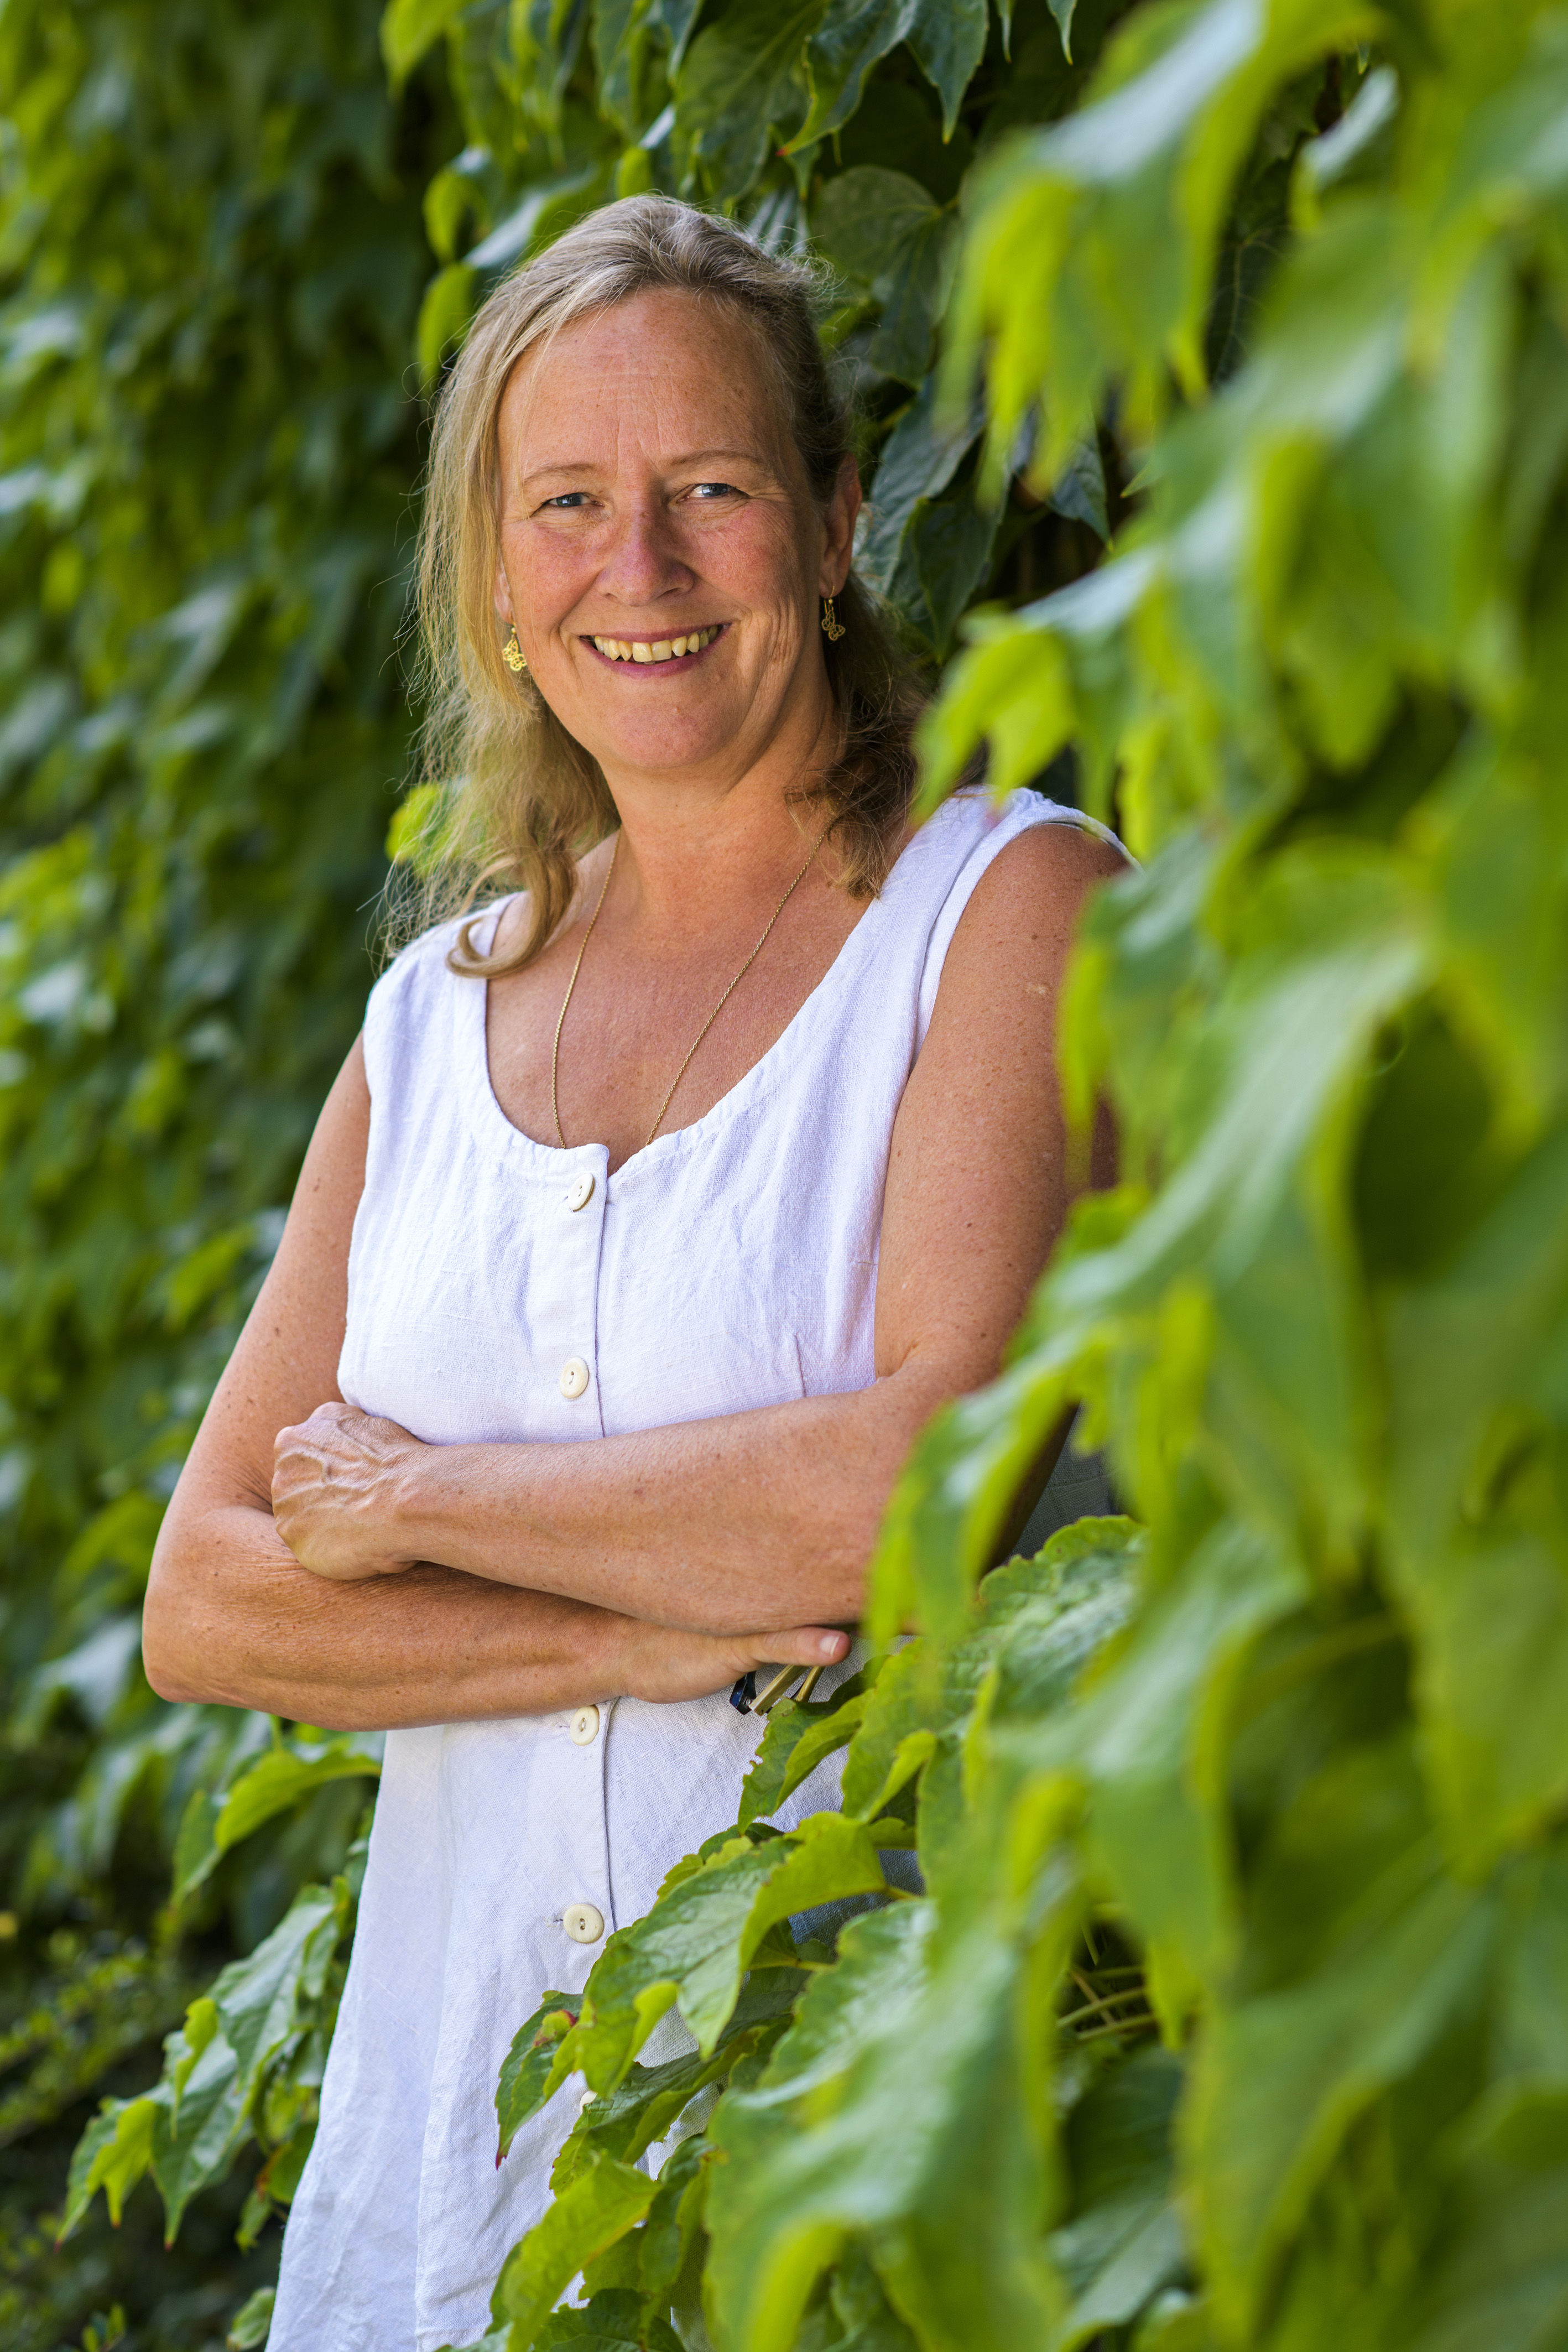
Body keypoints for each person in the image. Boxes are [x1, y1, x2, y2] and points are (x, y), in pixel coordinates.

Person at [141, 194, 1124, 2352]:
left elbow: (908, 1498)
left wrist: (419, 1505)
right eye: (568, 504)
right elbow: (207, 1597)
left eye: (713, 491)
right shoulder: (431, 1023)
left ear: (838, 521)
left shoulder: (1007, 911)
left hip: (862, 2171)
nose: (641, 568)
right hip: (451, 2181)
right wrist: (658, 1615)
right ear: (497, 583)